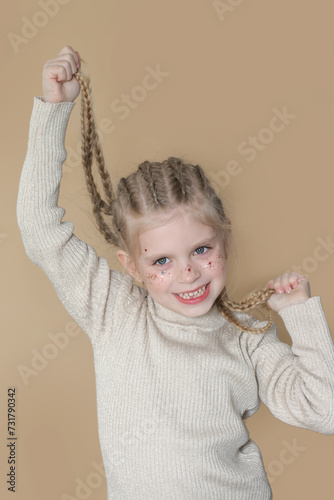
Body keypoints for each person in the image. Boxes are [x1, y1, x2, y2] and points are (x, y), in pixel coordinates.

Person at [17, 45, 334, 500]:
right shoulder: (115, 311)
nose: (188, 273)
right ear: (133, 268)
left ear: (223, 241)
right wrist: (55, 109)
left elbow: (324, 412)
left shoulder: (247, 334)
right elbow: (39, 228)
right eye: (161, 261)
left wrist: (301, 315)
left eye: (201, 250)